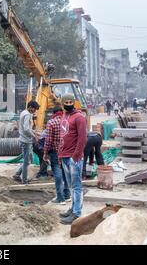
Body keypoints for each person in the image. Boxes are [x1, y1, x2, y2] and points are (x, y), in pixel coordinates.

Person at [58, 94, 87, 225]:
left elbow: (82, 138)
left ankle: (77, 213)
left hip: (73, 158)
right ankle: (73, 209)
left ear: (74, 103)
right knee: (70, 186)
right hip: (64, 156)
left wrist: (76, 155)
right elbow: (62, 136)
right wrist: (60, 154)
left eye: (71, 102)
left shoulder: (79, 117)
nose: (68, 104)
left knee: (76, 186)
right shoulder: (64, 115)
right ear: (62, 103)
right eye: (66, 102)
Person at [43, 107, 71, 205]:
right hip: (67, 151)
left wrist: (45, 153)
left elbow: (48, 140)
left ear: (53, 113)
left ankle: (60, 197)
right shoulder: (67, 121)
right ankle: (67, 195)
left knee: (58, 174)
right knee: (66, 172)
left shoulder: (51, 123)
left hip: (55, 152)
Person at [13, 101, 40, 184]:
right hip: (26, 141)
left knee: (26, 160)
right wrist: (34, 135)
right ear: (31, 107)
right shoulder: (27, 114)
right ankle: (24, 180)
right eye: (35, 109)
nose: (35, 111)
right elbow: (26, 129)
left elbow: (27, 128)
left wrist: (34, 132)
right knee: (26, 161)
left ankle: (17, 175)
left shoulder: (23, 113)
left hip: (23, 139)